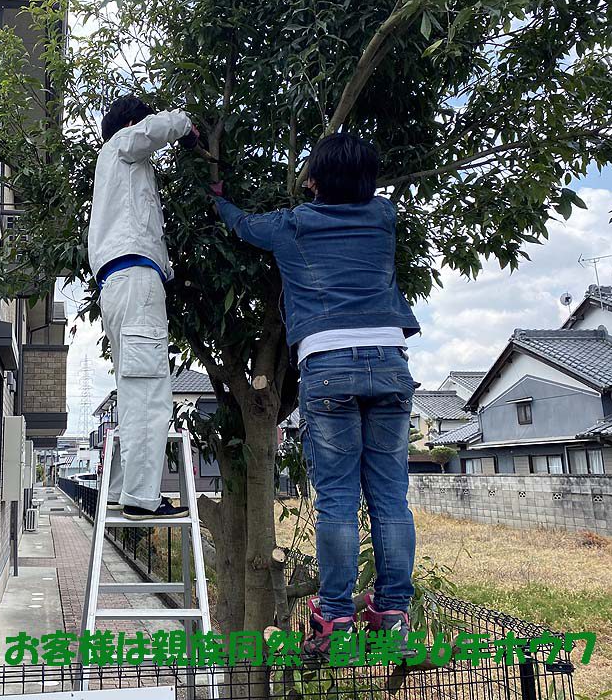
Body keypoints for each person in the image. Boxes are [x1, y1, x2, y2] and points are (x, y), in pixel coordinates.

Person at [211, 133, 421, 656]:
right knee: (391, 498)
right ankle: (393, 614)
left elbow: (240, 225)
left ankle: (334, 618)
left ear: (315, 181)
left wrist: (217, 195)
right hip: (391, 363)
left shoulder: (294, 224)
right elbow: (353, 193)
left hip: (328, 365)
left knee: (337, 503)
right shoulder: (383, 217)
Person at [88, 95, 199, 521]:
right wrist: (185, 125)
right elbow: (155, 129)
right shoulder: (121, 146)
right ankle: (140, 498)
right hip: (135, 280)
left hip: (120, 284)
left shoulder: (115, 172)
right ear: (133, 122)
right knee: (149, 391)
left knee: (133, 386)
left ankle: (121, 490)